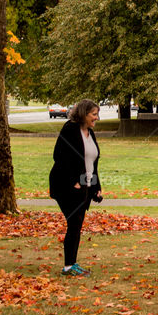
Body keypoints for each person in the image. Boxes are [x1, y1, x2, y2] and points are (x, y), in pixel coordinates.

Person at [49, 99, 103, 276]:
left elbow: (92, 163)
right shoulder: (70, 129)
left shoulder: (90, 133)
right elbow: (59, 156)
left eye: (97, 114)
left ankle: (71, 264)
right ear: (83, 114)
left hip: (84, 185)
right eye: (93, 114)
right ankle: (68, 266)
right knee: (74, 222)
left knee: (76, 224)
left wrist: (96, 187)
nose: (97, 118)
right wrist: (73, 181)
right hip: (65, 185)